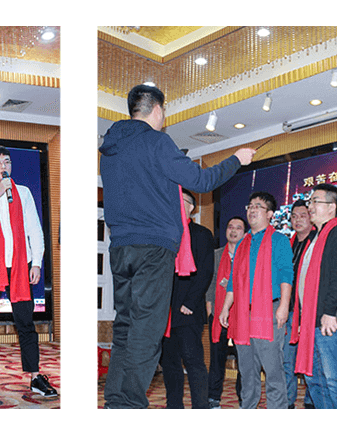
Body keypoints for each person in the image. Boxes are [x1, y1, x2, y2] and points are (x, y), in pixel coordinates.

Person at [99, 84, 255, 409]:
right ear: (157, 110)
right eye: (164, 112)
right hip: (153, 248)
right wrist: (236, 160)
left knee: (126, 324)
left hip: (120, 247)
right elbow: (202, 181)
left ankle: (116, 400)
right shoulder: (156, 142)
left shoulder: (111, 147)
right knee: (148, 329)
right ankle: (128, 405)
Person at [0, 146, 56, 398]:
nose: (3, 166)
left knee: (25, 323)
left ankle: (35, 377)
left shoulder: (23, 193)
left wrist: (36, 262)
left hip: (20, 264)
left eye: (6, 161)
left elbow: (34, 229)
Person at [219, 192, 292, 409]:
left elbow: (286, 274)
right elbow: (233, 281)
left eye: (258, 206)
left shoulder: (279, 240)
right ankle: (248, 408)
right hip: (243, 313)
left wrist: (284, 306)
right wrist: (225, 308)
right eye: (250, 206)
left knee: (272, 368)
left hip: (270, 310)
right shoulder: (243, 243)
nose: (252, 210)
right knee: (246, 369)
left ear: (270, 214)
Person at [291, 184, 337, 409]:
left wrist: (329, 312)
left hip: (329, 319)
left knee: (335, 379)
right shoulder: (315, 238)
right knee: (315, 379)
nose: (309, 206)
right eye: (310, 201)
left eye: (314, 201)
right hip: (312, 319)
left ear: (331, 207)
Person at [159, 189, 214, 408]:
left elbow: (205, 272)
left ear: (191, 207)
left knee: (193, 362)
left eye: (179, 200)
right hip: (165, 311)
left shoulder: (201, 234)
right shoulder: (165, 232)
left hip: (188, 310)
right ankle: (174, 407)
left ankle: (201, 407)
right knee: (169, 363)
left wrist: (190, 302)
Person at [207, 216, 246, 409]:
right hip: (217, 316)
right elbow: (210, 284)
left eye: (238, 228)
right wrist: (210, 311)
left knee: (244, 361)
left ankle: (244, 399)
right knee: (216, 359)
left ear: (244, 233)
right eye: (230, 227)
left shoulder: (248, 256)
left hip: (242, 317)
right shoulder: (216, 255)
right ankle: (213, 398)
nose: (233, 230)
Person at [282, 199, 317, 408]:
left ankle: (311, 402)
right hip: (289, 310)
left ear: (311, 217)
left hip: (310, 312)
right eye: (294, 216)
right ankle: (288, 402)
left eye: (303, 215)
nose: (297, 220)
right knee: (287, 360)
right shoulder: (288, 244)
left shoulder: (318, 242)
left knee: (311, 360)